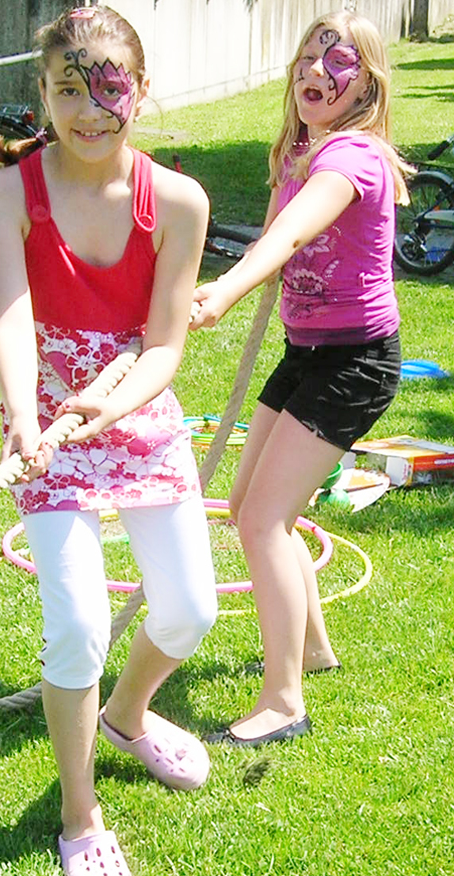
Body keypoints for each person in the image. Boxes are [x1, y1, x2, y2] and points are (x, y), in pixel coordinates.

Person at [0, 7, 218, 874]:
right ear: (40, 94)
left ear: (140, 91)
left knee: (189, 610)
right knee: (76, 625)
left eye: (107, 88)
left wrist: (111, 408)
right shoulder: (5, 196)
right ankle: (80, 817)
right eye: (66, 90)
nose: (87, 110)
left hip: (135, 408)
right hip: (46, 423)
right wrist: (23, 414)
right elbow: (10, 317)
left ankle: (127, 714)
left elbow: (163, 346)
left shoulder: (178, 201)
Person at [190, 11, 410, 748]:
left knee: (261, 522)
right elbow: (273, 235)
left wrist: (223, 292)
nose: (317, 71)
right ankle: (311, 648)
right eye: (309, 58)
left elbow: (287, 236)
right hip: (308, 351)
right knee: (248, 506)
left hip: (354, 362)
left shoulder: (353, 158)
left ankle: (283, 701)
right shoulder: (299, 152)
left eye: (337, 62)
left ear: (366, 84)